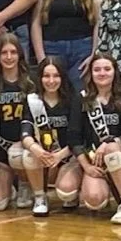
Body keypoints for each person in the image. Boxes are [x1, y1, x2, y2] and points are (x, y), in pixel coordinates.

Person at [69, 52, 121, 224]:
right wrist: (86, 167)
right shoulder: (82, 99)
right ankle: (109, 187)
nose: (102, 73)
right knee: (94, 199)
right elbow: (74, 138)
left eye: (107, 69)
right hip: (94, 161)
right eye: (97, 70)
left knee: (112, 149)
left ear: (115, 72)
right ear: (90, 73)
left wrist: (108, 144)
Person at [0, 33, 35, 210]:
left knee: (17, 155)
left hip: (24, 147)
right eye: (4, 52)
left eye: (13, 52)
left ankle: (25, 184)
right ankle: (8, 186)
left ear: (20, 54)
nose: (9, 57)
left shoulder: (32, 81)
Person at [21, 57, 80, 216]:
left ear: (63, 77)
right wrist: (36, 149)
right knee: (28, 154)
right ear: (39, 78)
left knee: (67, 193)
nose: (51, 81)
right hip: (45, 156)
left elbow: (78, 136)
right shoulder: (32, 100)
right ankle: (40, 197)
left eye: (56, 76)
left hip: (68, 155)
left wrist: (60, 155)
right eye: (46, 76)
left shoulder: (73, 100)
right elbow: (25, 132)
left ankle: (75, 190)